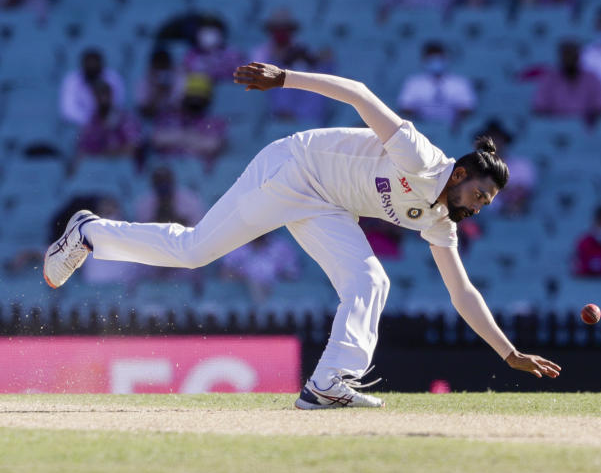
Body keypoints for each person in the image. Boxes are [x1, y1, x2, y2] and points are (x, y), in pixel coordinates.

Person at [43, 61, 561, 409]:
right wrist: (283, 77)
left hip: (328, 205)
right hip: (292, 168)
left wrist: (507, 352)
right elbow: (358, 94)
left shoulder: (438, 219)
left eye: (486, 206)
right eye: (479, 196)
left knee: (371, 281)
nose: (478, 209)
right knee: (195, 251)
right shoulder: (423, 159)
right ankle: (90, 232)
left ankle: (326, 385)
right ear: (461, 174)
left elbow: (461, 292)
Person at [397, 41, 477, 127]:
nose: (436, 62)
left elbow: (468, 107)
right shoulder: (413, 82)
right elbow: (405, 107)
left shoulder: (460, 83)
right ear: (424, 59)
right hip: (420, 128)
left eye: (439, 58)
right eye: (431, 58)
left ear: (446, 59)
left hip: (453, 129)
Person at [532, 39, 601, 124]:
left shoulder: (592, 78)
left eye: (573, 54)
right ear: (561, 56)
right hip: (555, 127)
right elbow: (539, 108)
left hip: (586, 128)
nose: (569, 58)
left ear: (578, 56)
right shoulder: (548, 79)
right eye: (566, 54)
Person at [59, 48, 126, 126]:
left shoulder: (112, 78)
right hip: (78, 125)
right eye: (89, 64)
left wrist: (103, 120)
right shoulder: (72, 80)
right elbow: (68, 110)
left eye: (95, 64)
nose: (92, 66)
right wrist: (92, 121)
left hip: (109, 122)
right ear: (83, 65)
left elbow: (119, 102)